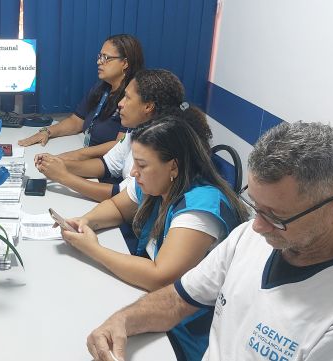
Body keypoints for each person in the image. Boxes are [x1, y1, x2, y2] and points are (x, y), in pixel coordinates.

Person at [86, 122, 333, 361]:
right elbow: (177, 300)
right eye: (256, 205)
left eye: (277, 216)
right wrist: (123, 321)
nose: (256, 225)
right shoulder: (250, 237)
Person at [61, 118, 248, 360]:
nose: (133, 172)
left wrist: (92, 249)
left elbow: (161, 278)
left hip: (186, 334)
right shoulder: (155, 182)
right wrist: (86, 221)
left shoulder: (201, 206)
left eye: (141, 165)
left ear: (173, 167)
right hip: (156, 308)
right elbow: (117, 208)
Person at [36, 69, 212, 202]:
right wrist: (58, 164)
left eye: (127, 98)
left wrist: (63, 177)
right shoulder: (137, 131)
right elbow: (105, 165)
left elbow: (121, 196)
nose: (120, 104)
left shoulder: (161, 146)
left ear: (148, 106)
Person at [18, 34, 144, 155]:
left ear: (125, 63)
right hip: (86, 154)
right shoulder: (101, 88)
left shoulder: (133, 98)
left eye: (106, 58)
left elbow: (119, 147)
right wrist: (47, 131)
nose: (99, 62)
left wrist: (74, 156)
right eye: (99, 56)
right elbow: (77, 121)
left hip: (106, 164)